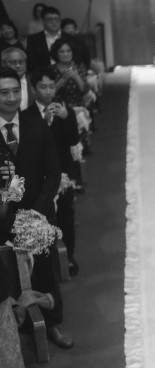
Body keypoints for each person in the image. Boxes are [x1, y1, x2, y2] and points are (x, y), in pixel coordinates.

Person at [0, 67, 69, 348]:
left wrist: (36, 212)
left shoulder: (36, 124)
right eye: (4, 92)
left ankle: (52, 323)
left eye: (16, 91)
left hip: (37, 212)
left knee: (44, 270)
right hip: (3, 216)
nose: (11, 98)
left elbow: (53, 173)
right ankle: (16, 327)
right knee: (9, 276)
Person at [27, 66, 81, 275]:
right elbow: (31, 149)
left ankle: (69, 257)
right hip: (39, 176)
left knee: (66, 216)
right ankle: (47, 264)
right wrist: (45, 123)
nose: (48, 91)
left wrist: (67, 117)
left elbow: (73, 140)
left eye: (51, 86)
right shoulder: (27, 115)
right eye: (43, 87)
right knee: (46, 219)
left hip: (63, 173)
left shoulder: (63, 109)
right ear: (33, 89)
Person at [48, 38, 90, 108]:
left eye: (68, 51)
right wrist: (63, 79)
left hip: (80, 107)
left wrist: (77, 77)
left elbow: (85, 91)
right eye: (61, 52)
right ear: (56, 53)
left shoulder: (80, 66)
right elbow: (49, 93)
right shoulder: (50, 70)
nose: (65, 54)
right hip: (58, 109)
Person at [25, 6, 66, 74]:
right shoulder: (33, 40)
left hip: (68, 74)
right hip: (43, 75)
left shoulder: (71, 38)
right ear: (43, 21)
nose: (53, 21)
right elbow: (31, 63)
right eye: (49, 19)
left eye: (56, 19)